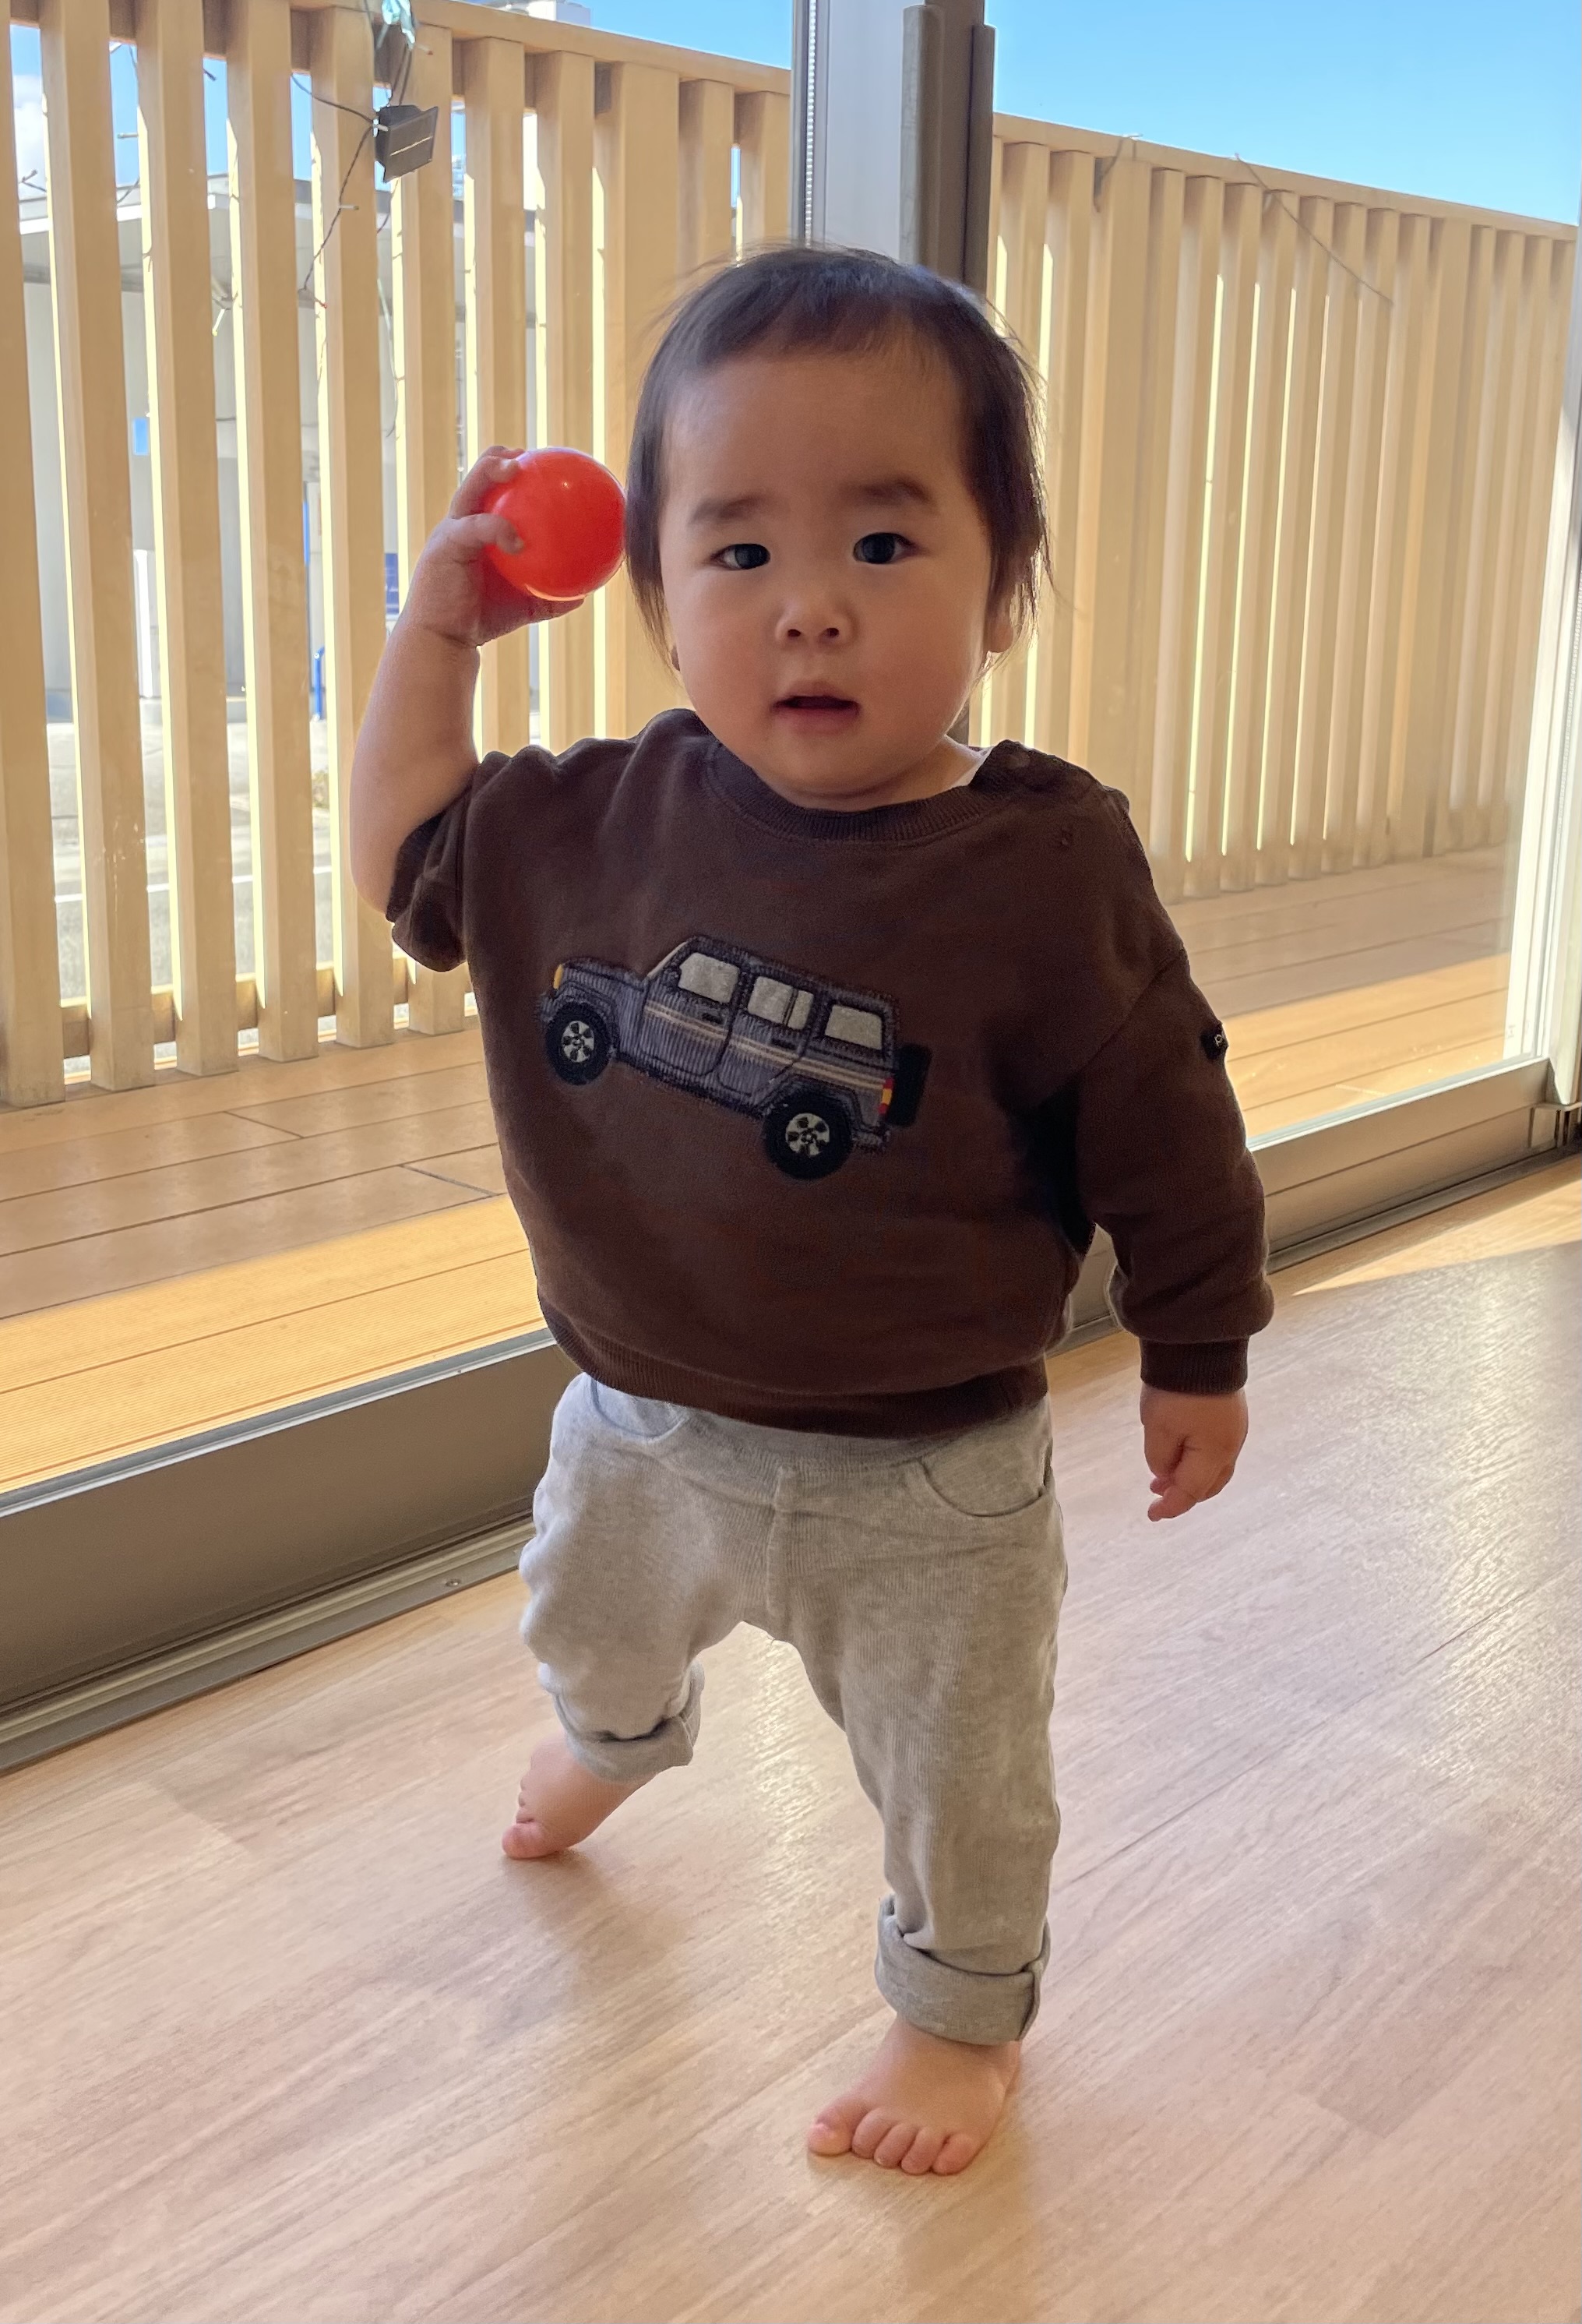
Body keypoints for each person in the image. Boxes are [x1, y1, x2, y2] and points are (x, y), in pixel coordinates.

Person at [350, 245, 1271, 2179]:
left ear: (997, 587)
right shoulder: (595, 817)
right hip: (636, 1417)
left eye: (882, 539)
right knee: (582, 1623)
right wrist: (434, 638)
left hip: (926, 1475)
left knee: (960, 1773)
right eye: (741, 549)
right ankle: (614, 1740)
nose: (810, 604)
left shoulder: (1041, 864)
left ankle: (954, 2015)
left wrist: (1197, 1346)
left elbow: (1166, 1118)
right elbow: (409, 855)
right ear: (654, 595)